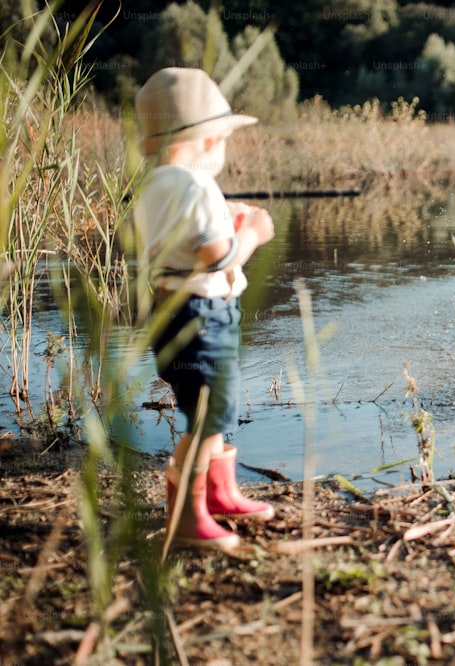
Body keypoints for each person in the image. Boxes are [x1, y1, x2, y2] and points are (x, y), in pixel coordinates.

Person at [133, 67, 275, 552]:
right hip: (200, 315)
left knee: (216, 407)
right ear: (210, 138)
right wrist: (252, 234)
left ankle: (220, 491)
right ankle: (189, 515)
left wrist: (224, 219)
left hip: (176, 309)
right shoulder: (192, 187)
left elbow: (184, 243)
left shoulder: (158, 183)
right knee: (207, 416)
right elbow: (218, 255)